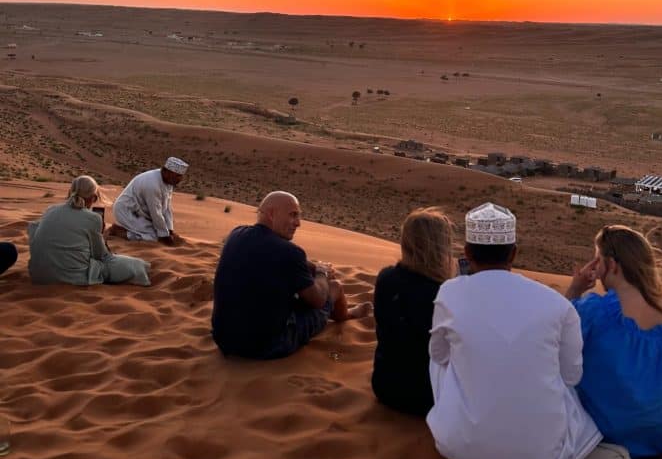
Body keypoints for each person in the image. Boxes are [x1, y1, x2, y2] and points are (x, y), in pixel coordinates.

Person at [427, 203, 633, 459]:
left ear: (467, 253)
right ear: (514, 253)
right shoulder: (556, 304)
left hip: (464, 446)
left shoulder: (449, 293)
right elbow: (572, 376)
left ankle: (471, 456)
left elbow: (438, 355)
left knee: (438, 360)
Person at [566, 225, 662, 459]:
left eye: (598, 261)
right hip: (658, 442)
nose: (596, 269)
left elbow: (555, 334)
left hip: (600, 436)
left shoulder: (593, 312)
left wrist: (574, 291)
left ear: (612, 265)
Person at [211, 191, 372, 360]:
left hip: (225, 341)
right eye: (293, 215)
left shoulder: (236, 234)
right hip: (266, 346)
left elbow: (282, 259)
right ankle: (346, 315)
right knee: (334, 288)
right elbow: (317, 299)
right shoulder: (290, 253)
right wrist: (322, 273)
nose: (298, 223)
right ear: (272, 214)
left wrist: (315, 267)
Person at [372, 208, 454, 416]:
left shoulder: (385, 278)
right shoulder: (443, 293)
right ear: (441, 246)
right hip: (430, 396)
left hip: (385, 387)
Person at [28, 176, 151, 286]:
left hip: (38, 276)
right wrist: (103, 235)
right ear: (93, 197)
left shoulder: (50, 210)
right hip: (72, 278)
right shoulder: (92, 218)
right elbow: (101, 256)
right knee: (136, 265)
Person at [110, 157, 188, 243]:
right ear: (167, 171)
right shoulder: (152, 184)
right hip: (127, 211)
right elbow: (156, 212)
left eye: (181, 176)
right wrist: (164, 235)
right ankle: (119, 232)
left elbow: (167, 207)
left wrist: (169, 229)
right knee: (153, 238)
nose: (179, 179)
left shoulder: (168, 182)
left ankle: (126, 228)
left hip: (141, 213)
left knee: (159, 233)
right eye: (177, 176)